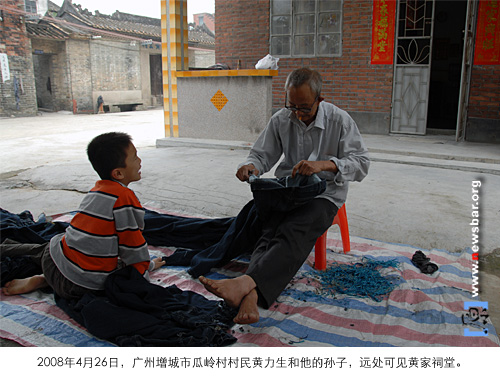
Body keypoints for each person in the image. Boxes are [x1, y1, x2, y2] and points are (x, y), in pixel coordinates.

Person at [199, 68, 370, 324]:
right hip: (289, 189)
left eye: (304, 108)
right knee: (269, 228)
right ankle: (251, 294)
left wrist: (324, 165)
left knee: (294, 228)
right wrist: (251, 167)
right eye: (292, 107)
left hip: (325, 194)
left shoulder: (339, 120)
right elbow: (261, 154)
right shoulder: (282, 119)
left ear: (319, 100)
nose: (298, 114)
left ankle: (247, 284)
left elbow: (361, 164)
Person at [1, 132, 164, 299]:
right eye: (135, 157)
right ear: (118, 174)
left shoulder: (95, 191)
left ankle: (42, 274)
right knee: (108, 268)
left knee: (55, 243)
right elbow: (132, 247)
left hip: (52, 262)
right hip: (79, 287)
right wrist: (143, 275)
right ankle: (44, 280)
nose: (140, 161)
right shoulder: (125, 198)